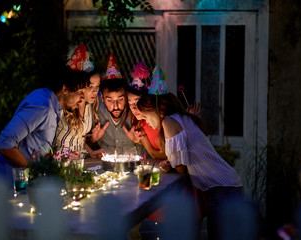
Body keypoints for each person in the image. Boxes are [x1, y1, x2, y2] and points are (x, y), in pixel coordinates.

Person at [137, 65, 243, 240]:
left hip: (222, 189)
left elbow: (180, 167)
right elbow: (179, 159)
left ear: (155, 110)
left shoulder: (170, 122)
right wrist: (169, 163)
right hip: (226, 186)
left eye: (145, 116)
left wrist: (168, 166)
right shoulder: (181, 118)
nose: (145, 121)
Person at [0, 61, 90, 188]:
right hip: (11, 188)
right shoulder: (42, 105)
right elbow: (5, 143)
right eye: (80, 92)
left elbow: (39, 144)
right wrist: (33, 170)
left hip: (30, 186)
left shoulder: (55, 107)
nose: (83, 98)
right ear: (65, 89)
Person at [53, 43, 106, 159]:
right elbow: (46, 143)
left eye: (98, 86)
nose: (95, 91)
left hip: (80, 161)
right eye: (91, 86)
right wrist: (61, 155)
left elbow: (80, 137)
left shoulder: (89, 106)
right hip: (60, 164)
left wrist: (90, 151)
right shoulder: (64, 106)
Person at [88, 54, 144, 155]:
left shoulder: (136, 112)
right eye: (110, 100)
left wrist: (140, 141)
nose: (116, 106)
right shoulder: (94, 110)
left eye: (120, 99)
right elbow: (81, 143)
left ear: (126, 97)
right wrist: (92, 140)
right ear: (102, 98)